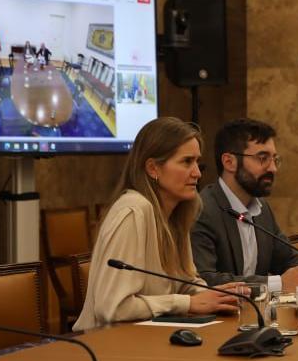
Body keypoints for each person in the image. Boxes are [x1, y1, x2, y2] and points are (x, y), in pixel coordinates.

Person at [73, 118, 242, 331]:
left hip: (148, 340)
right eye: (186, 162)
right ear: (153, 168)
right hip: (109, 348)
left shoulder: (176, 212)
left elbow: (184, 282)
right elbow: (112, 308)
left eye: (197, 163)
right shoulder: (133, 211)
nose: (197, 173)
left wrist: (216, 297)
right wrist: (187, 303)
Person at [192, 118, 298, 292]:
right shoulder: (202, 210)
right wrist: (277, 284)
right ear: (229, 162)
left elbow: (289, 258)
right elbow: (204, 279)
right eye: (262, 158)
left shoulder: (261, 208)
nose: (273, 168)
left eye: (275, 159)